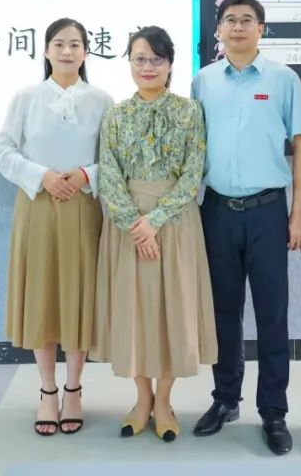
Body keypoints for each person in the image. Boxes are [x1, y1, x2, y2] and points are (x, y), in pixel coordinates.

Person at [190, 0, 301, 455]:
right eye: (230, 20)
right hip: (217, 210)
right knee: (224, 313)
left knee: (271, 314)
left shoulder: (283, 79)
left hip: (267, 212)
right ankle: (225, 399)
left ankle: (274, 411)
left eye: (247, 20)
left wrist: (298, 214)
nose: (238, 26)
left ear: (262, 29)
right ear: (219, 30)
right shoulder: (203, 81)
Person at [91, 26, 217, 443]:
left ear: (170, 64)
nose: (148, 67)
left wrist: (156, 220)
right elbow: (109, 174)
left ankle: (164, 402)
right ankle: (141, 399)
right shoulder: (115, 115)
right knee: (135, 311)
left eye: (156, 59)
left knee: (170, 312)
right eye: (139, 59)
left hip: (175, 224)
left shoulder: (189, 112)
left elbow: (193, 172)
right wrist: (135, 224)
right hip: (127, 228)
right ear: (129, 63)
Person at [0, 17, 115, 437]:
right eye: (59, 44)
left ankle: (74, 388)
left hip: (83, 206)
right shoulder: (26, 97)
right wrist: (41, 176)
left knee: (78, 298)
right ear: (45, 50)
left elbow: (113, 158)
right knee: (42, 297)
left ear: (86, 52)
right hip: (38, 206)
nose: (67, 51)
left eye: (75, 44)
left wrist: (84, 175)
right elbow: (4, 150)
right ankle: (47, 391)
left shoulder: (102, 100)